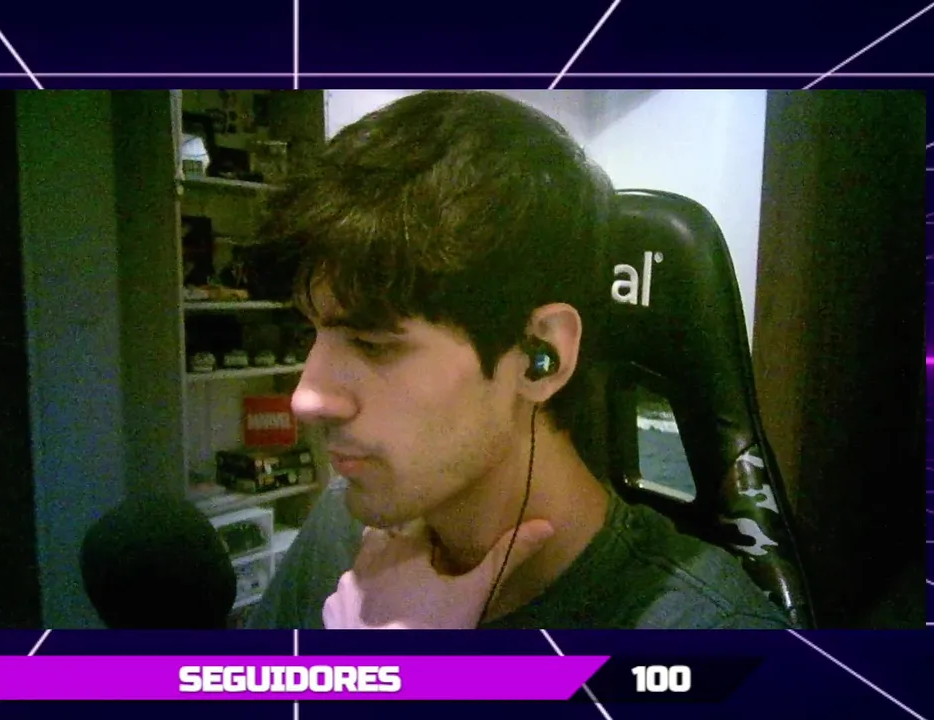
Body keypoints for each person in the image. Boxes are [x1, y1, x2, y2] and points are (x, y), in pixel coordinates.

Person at [244, 91, 793, 630]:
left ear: (540, 356)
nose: (305, 398)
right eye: (312, 331)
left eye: (373, 343)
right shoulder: (348, 518)